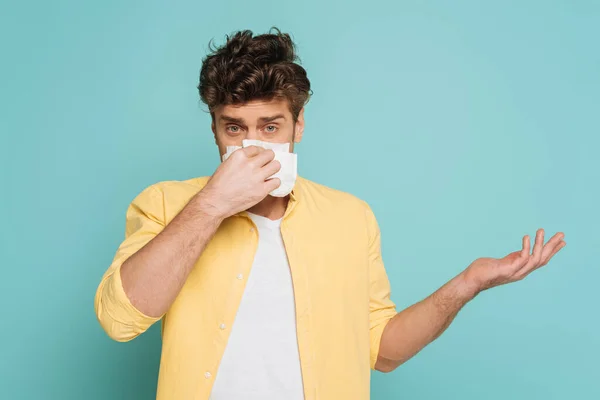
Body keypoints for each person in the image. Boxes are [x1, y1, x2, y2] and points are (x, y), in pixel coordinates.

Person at [94, 28, 566, 400]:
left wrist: (467, 284)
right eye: (234, 128)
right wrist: (213, 204)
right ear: (215, 128)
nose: (251, 145)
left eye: (271, 127)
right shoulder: (165, 204)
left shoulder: (351, 218)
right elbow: (120, 318)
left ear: (299, 124)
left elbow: (382, 351)